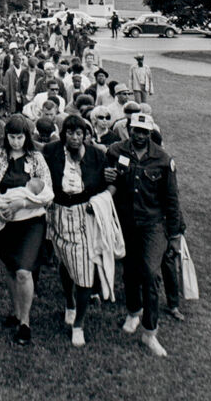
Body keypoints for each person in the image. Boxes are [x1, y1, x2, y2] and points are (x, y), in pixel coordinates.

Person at [105, 112, 182, 357]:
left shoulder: (162, 158)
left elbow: (171, 198)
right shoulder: (115, 151)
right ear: (129, 129)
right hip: (126, 222)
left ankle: (150, 332)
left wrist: (175, 233)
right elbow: (107, 181)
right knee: (129, 270)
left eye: (144, 132)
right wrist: (105, 176)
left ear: (151, 133)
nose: (139, 135)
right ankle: (133, 311)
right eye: (135, 130)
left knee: (149, 273)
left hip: (153, 224)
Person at [43, 115, 117, 347]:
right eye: (70, 133)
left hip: (84, 215)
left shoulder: (97, 156)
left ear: (86, 135)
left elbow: (112, 184)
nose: (75, 138)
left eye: (79, 133)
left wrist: (100, 202)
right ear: (63, 134)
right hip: (57, 214)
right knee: (65, 264)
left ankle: (79, 325)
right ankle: (69, 304)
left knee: (85, 272)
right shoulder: (51, 151)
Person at [0, 114, 53, 346]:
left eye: (20, 137)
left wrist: (22, 203)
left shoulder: (36, 159)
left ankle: (25, 322)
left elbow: (46, 194)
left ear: (27, 137)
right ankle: (15, 312)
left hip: (31, 222)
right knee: (12, 269)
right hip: (6, 222)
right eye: (12, 137)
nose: (16, 142)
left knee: (24, 271)